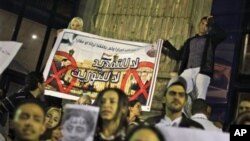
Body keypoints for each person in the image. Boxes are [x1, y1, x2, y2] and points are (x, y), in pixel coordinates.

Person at [162, 16, 227, 100]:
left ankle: (198, 111)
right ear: (199, 24)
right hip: (188, 70)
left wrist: (212, 23)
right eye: (202, 24)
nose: (203, 26)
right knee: (178, 88)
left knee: (200, 97)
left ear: (208, 28)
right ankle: (180, 111)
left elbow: (223, 35)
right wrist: (166, 44)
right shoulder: (190, 41)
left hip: (202, 71)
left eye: (206, 25)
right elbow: (178, 55)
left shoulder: (211, 40)